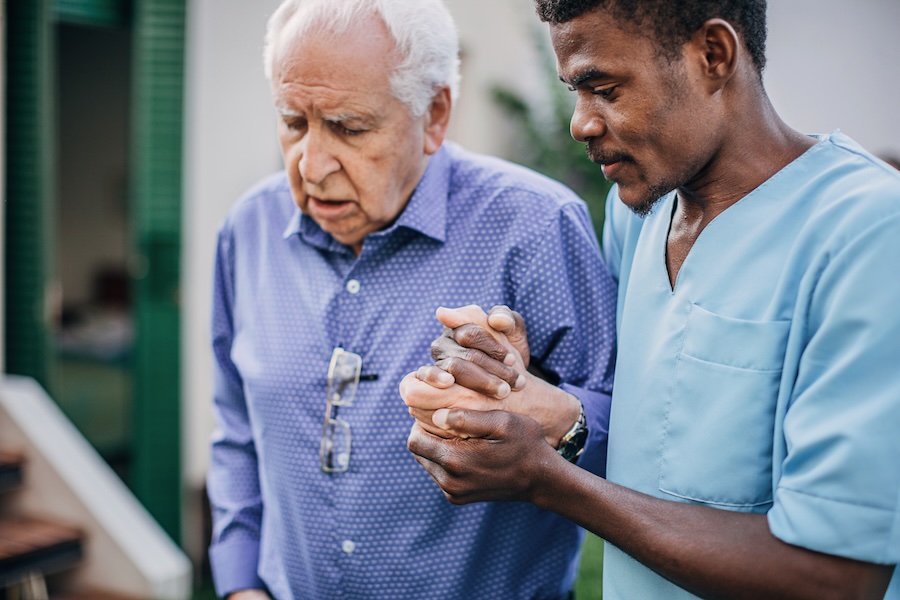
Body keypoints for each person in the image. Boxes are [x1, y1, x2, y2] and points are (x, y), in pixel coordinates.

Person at [402, 1, 900, 598]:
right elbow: (657, 445)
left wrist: (545, 480)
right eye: (574, 92)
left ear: (712, 56)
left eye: (604, 88)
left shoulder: (868, 231)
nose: (580, 123)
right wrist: (529, 395)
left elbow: (836, 575)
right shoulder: (640, 212)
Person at [205, 0, 619, 598]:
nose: (312, 166)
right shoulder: (247, 230)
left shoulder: (535, 227)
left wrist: (542, 412)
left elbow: (623, 435)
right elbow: (236, 430)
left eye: (348, 127)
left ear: (435, 115)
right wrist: (241, 582)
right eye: (294, 122)